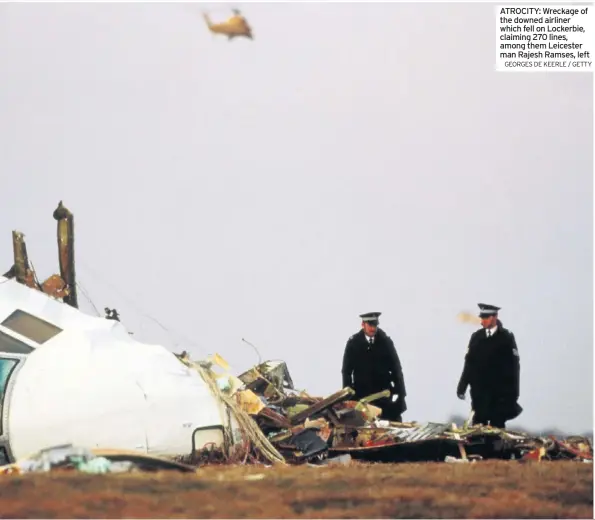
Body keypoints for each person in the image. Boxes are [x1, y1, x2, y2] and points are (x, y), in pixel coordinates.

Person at [456, 303, 522, 428]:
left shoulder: (506, 337)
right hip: (479, 394)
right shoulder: (476, 337)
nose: (481, 322)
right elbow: (469, 364)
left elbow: (514, 368)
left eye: (484, 318)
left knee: (497, 430)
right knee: (477, 429)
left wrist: (514, 394)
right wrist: (462, 386)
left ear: (493, 317)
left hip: (499, 396)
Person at [341, 311, 407, 422]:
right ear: (363, 325)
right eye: (370, 325)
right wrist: (349, 397)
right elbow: (346, 372)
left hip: (384, 397)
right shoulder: (353, 343)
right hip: (363, 397)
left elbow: (396, 369)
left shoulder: (385, 342)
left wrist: (400, 393)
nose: (373, 329)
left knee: (391, 426)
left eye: (375, 325)